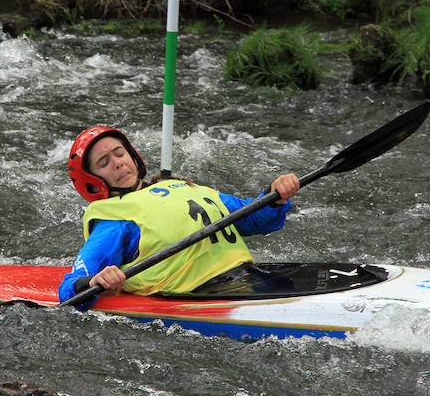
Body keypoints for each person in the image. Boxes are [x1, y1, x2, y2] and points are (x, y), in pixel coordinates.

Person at [58, 126, 300, 310]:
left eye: (119, 153)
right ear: (91, 183)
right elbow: (69, 290)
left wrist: (274, 195)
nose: (118, 164)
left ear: (133, 157)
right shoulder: (115, 222)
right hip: (200, 295)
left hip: (246, 278)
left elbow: (256, 218)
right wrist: (94, 281)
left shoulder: (185, 188)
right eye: (104, 162)